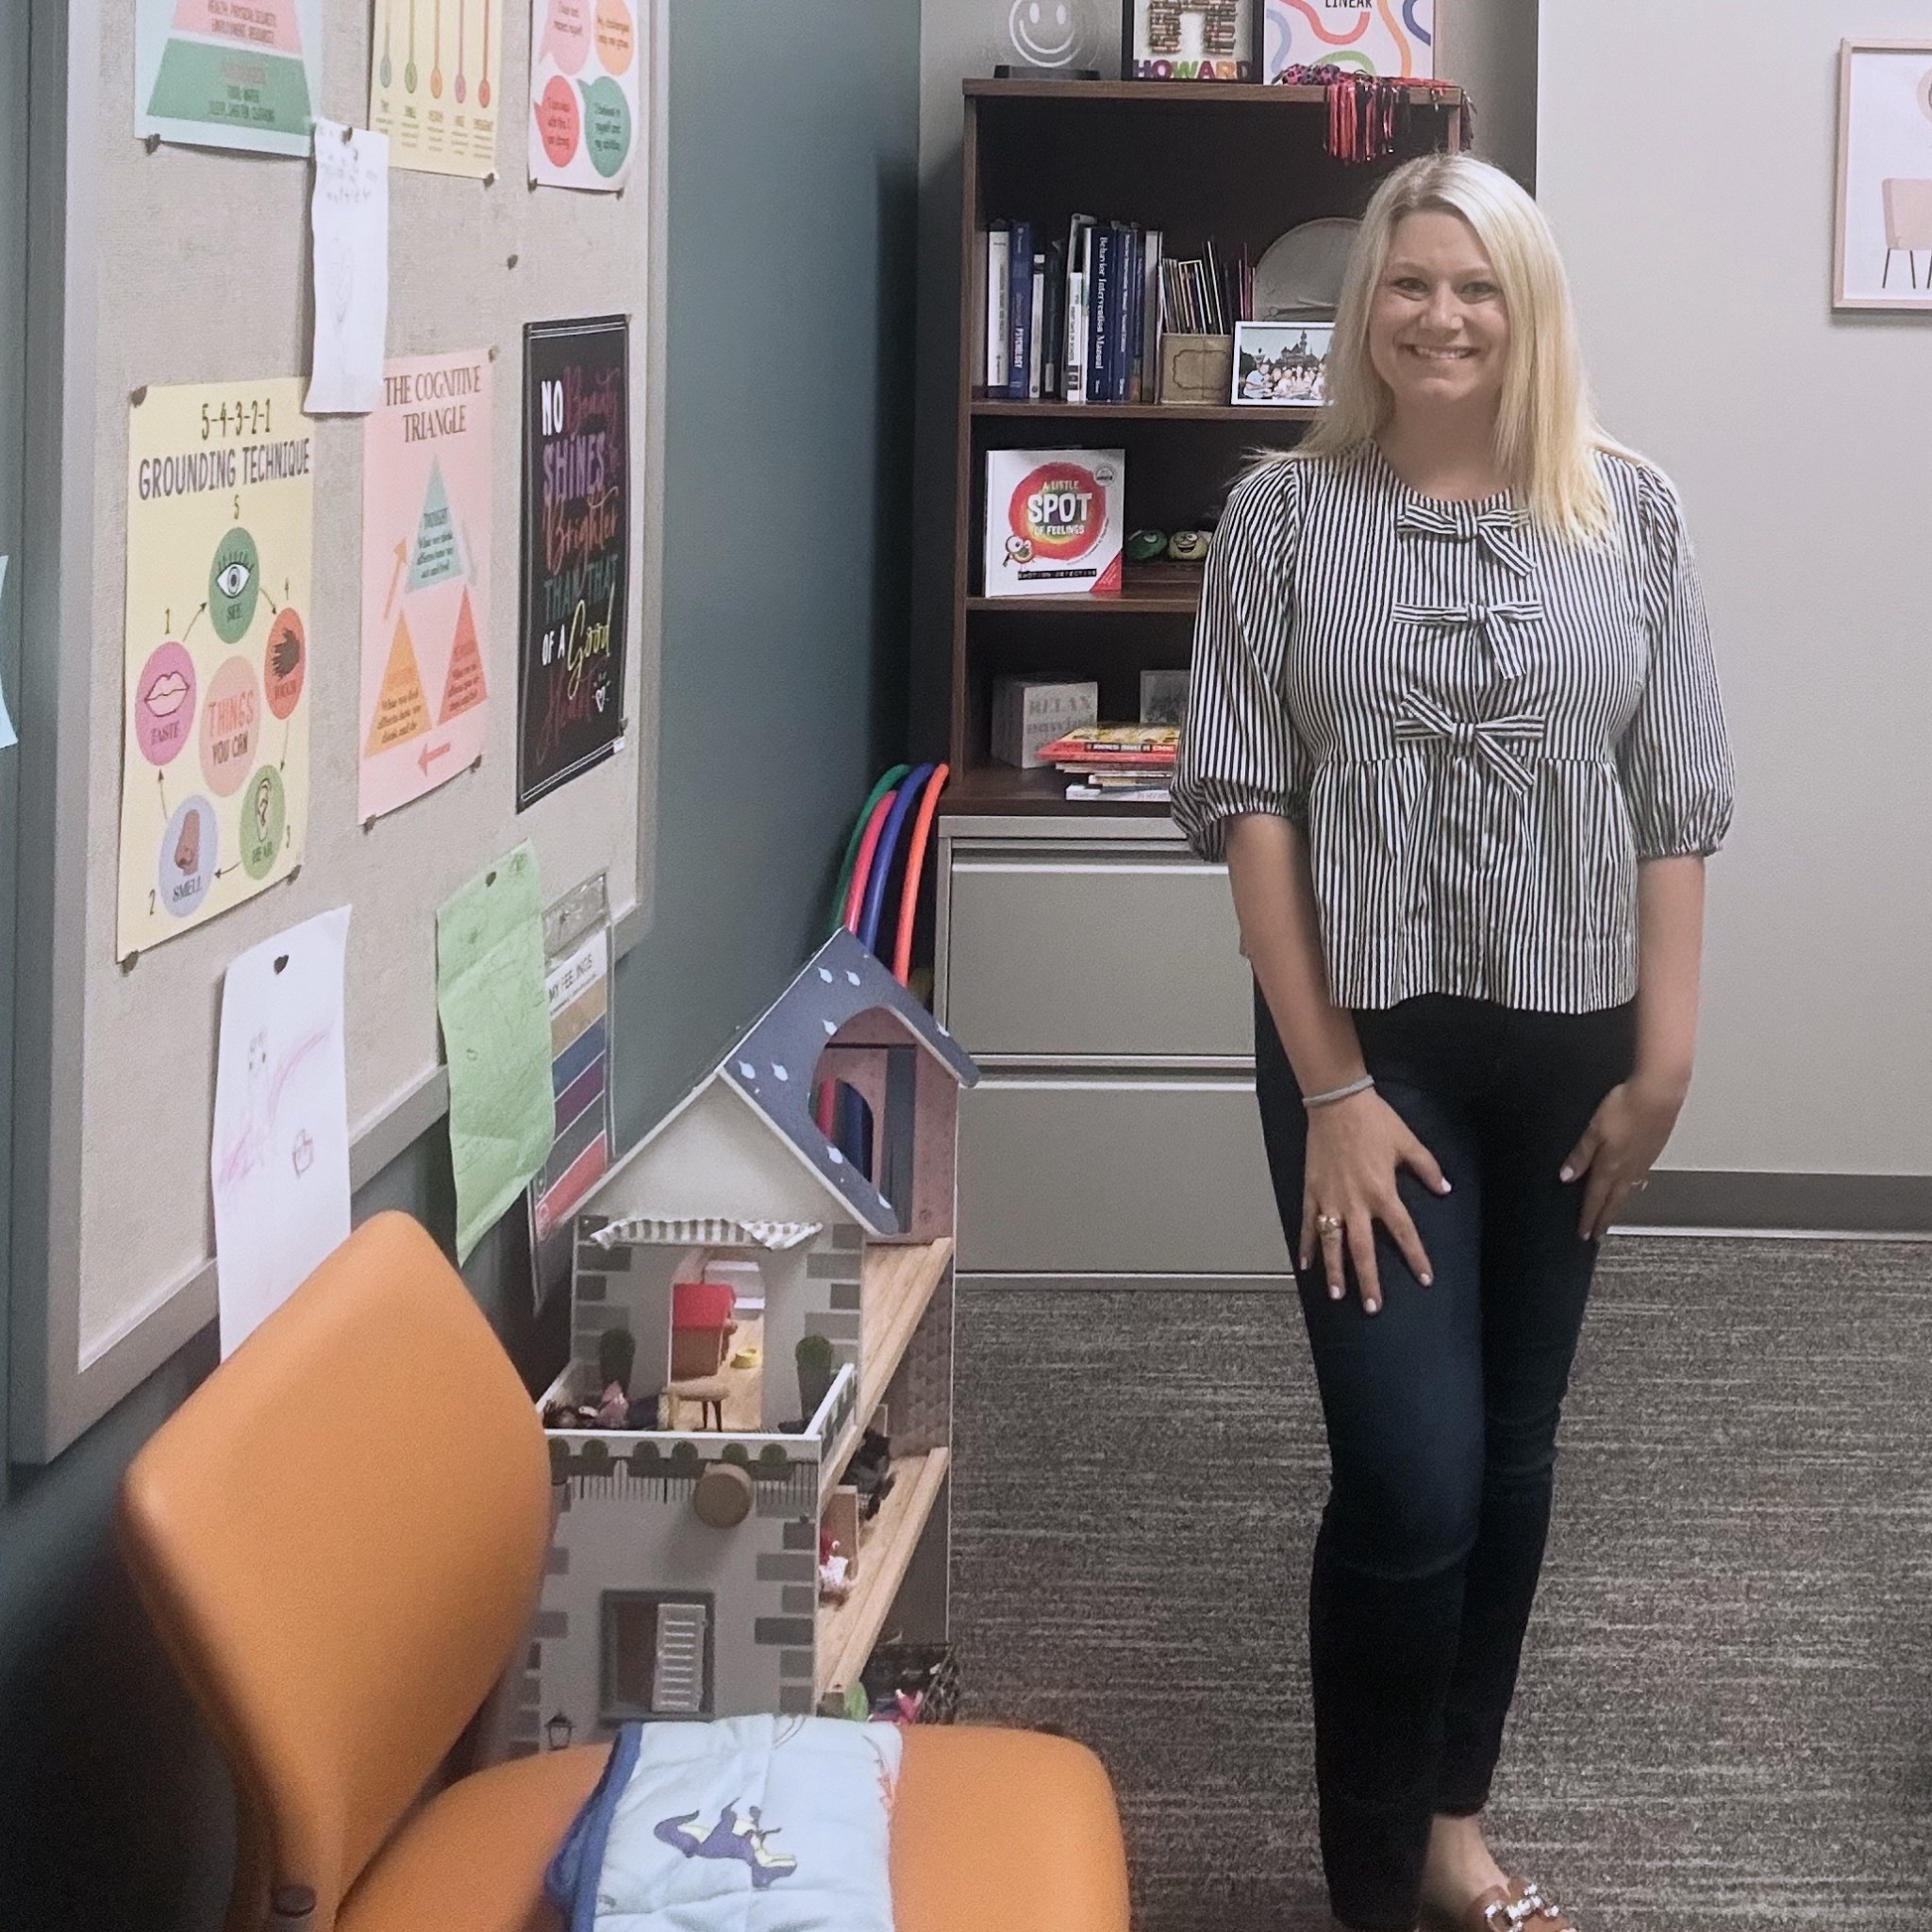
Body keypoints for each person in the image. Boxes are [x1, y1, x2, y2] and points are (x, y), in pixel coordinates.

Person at [1170, 153, 1734, 1932]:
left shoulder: (1628, 512)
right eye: (1409, 283)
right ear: (1367, 307)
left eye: (1476, 287)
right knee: (1407, 1478)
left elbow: (1676, 799)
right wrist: (1329, 1086)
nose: (1440, 315)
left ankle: (1450, 1827)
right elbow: (1249, 807)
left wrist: (1668, 1061)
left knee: (1513, 1450)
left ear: (1529, 308)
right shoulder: (1279, 517)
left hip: (1572, 1056)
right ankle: (1363, 1888)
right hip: (1369, 1059)